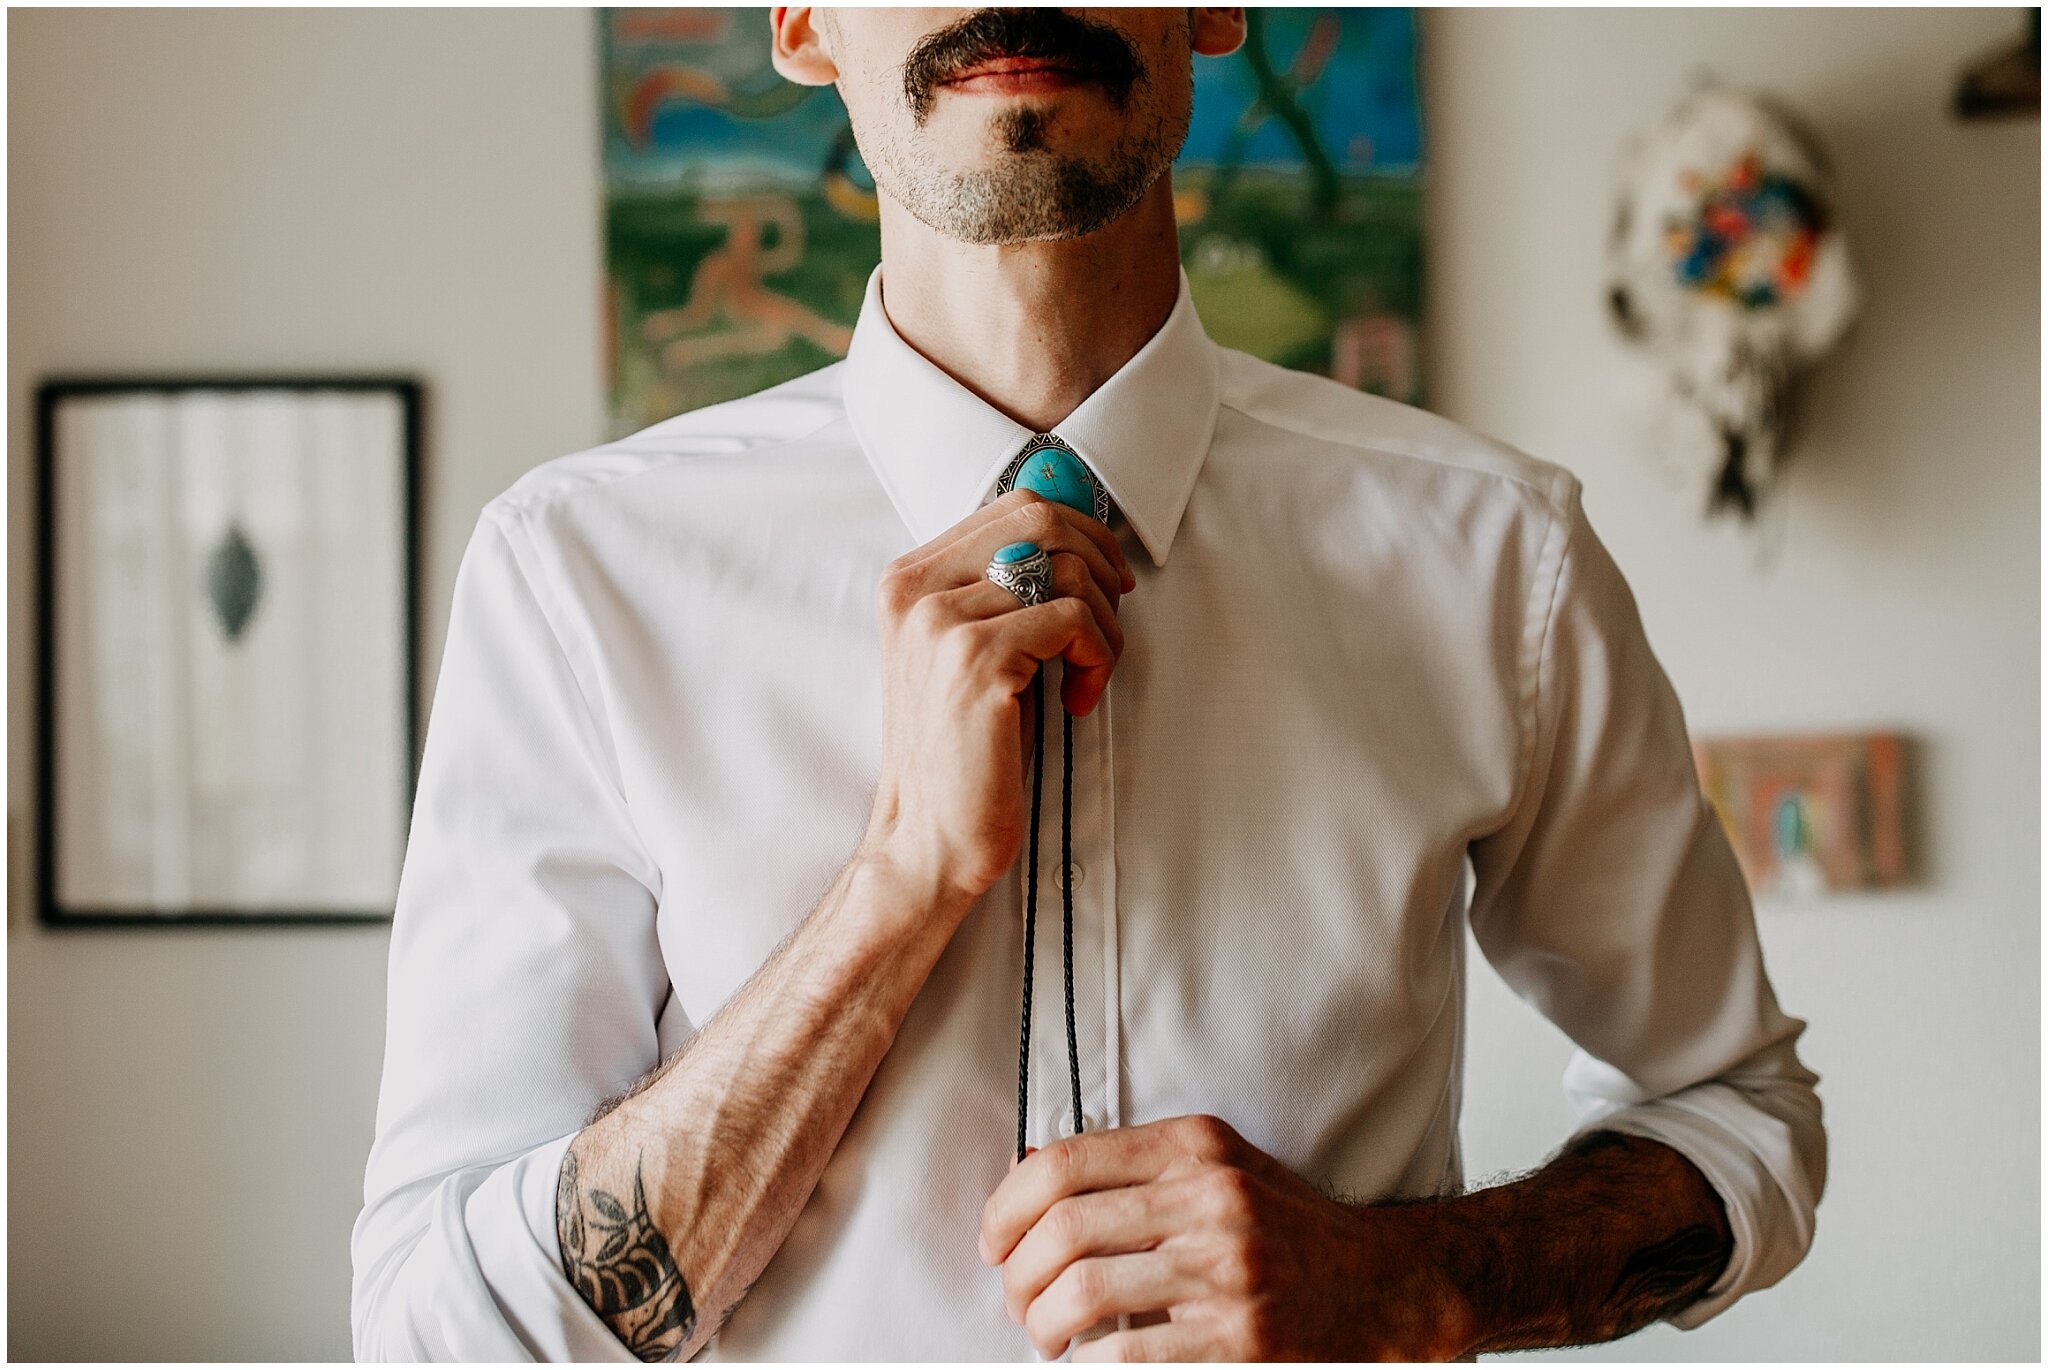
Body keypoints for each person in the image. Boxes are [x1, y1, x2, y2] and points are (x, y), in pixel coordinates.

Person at [352, 7, 1824, 1361]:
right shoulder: (579, 576)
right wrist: (901, 882)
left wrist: (1410, 1274)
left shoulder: (1500, 558)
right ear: (802, 18)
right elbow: (436, 1328)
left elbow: (1740, 1114)